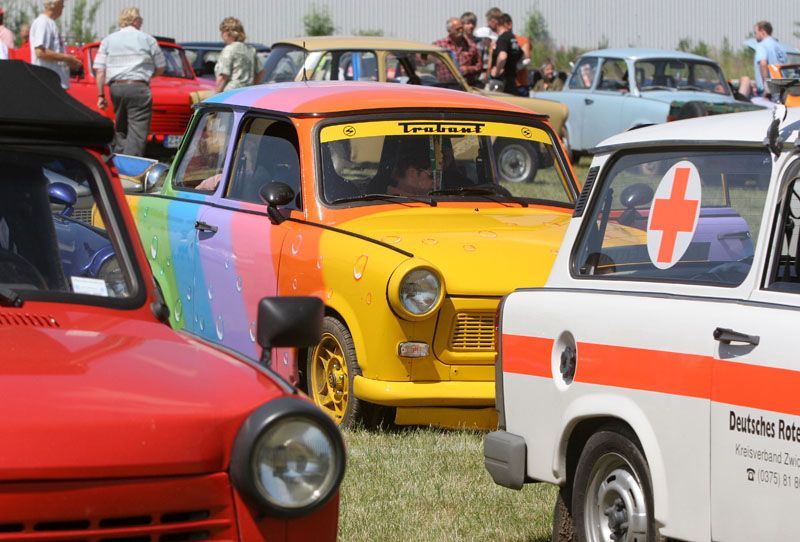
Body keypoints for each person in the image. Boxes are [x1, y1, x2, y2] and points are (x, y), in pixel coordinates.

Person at [94, 7, 165, 157]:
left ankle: (118, 161)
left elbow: (99, 70)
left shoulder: (108, 40)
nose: (141, 23)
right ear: (135, 20)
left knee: (120, 126)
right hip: (138, 86)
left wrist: (100, 95)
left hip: (116, 87)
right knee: (138, 131)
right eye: (140, 20)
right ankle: (131, 168)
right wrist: (148, 76)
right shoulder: (147, 39)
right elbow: (161, 66)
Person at [29, 0, 80, 89]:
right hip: (48, 84)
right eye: (61, 3)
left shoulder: (48, 22)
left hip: (52, 84)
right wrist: (68, 58)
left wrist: (68, 61)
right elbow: (40, 52)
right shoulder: (43, 22)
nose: (63, 7)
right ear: (55, 4)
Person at [215, 17, 263, 93]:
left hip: (230, 94)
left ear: (227, 33)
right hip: (247, 93)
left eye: (222, 32)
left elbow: (223, 77)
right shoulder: (251, 50)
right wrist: (253, 87)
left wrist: (215, 96)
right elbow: (260, 72)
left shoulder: (229, 49)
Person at [433, 17, 481, 86]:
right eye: (457, 29)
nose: (461, 31)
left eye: (462, 28)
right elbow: (423, 60)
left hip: (464, 86)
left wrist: (468, 69)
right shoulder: (439, 45)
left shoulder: (471, 46)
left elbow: (478, 66)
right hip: (443, 85)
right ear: (449, 30)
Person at [752, 20, 788, 100]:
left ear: (762, 31)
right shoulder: (780, 47)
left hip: (770, 91)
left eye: (755, 32)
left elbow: (763, 64)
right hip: (783, 88)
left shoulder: (762, 45)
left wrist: (767, 87)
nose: (755, 36)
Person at [490, 13, 523, 95]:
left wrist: (497, 71)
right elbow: (521, 55)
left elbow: (502, 56)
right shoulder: (512, 38)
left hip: (502, 82)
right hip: (511, 80)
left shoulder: (503, 38)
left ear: (497, 24)